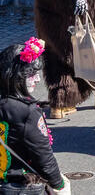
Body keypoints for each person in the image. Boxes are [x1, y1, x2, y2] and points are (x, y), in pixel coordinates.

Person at [0, 38, 70, 194]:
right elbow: (43, 156)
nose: (38, 79)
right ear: (17, 76)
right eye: (32, 74)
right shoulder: (27, 112)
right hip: (20, 185)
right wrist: (59, 185)